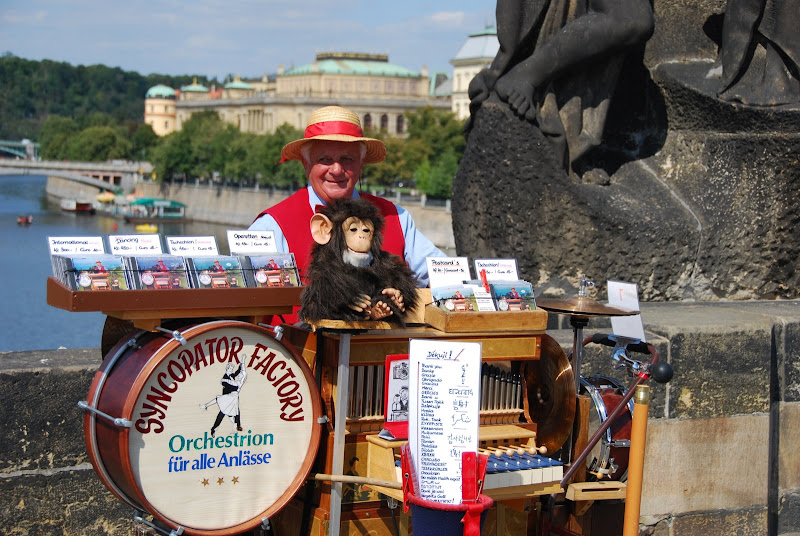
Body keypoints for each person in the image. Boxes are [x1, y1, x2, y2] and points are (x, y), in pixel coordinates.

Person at [250, 106, 445, 288]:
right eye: (325, 159)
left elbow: (447, 275)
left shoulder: (397, 218)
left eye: (347, 159)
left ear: (361, 165)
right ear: (306, 164)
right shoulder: (271, 226)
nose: (336, 170)